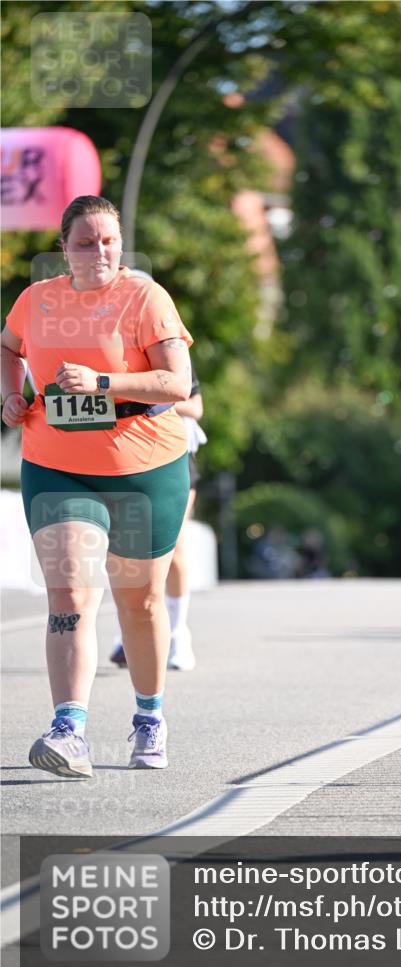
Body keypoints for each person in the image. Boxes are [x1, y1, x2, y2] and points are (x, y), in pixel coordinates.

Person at [1, 195, 193, 778]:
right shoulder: (37, 301)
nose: (100, 251)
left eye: (109, 240)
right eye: (85, 242)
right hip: (58, 466)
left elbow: (177, 383)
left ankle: (150, 717)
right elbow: (8, 348)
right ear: (64, 249)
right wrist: (11, 395)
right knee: (71, 596)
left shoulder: (144, 297)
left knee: (141, 602)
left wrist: (103, 381)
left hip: (143, 469)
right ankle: (69, 728)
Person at [110, 358, 205, 670]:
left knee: (173, 546)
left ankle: (178, 633)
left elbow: (195, 407)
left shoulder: (169, 351)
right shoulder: (111, 354)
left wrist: (146, 400)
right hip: (128, 457)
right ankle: (134, 630)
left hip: (174, 459)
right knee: (129, 550)